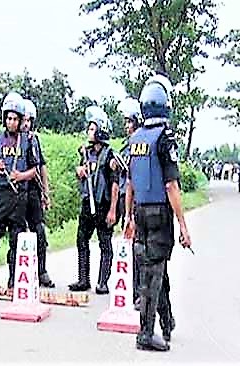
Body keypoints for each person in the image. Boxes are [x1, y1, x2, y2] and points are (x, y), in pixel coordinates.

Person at [124, 74, 192, 351]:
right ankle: (146, 333)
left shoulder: (135, 139)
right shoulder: (165, 138)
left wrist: (128, 216)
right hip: (159, 213)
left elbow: (129, 182)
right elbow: (171, 185)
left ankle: (167, 320)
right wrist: (183, 225)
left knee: (154, 267)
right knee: (152, 274)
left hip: (139, 211)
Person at [0, 92, 39, 288]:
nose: (11, 122)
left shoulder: (28, 140)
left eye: (15, 119)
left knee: (16, 238)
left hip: (19, 195)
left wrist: (20, 176)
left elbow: (34, 169)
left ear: (21, 120)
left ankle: (14, 281)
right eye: (8, 118)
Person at [68, 106, 119, 295]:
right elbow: (82, 171)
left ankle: (103, 282)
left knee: (105, 243)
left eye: (92, 128)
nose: (89, 132)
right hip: (86, 203)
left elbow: (115, 184)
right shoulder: (85, 153)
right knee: (82, 239)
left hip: (103, 204)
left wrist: (113, 210)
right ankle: (83, 279)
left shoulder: (110, 156)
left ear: (100, 131)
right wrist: (79, 171)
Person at [21, 98, 55, 288]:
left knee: (39, 230)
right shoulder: (13, 140)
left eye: (29, 120)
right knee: (17, 233)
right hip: (17, 191)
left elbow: (42, 167)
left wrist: (46, 193)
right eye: (23, 120)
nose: (26, 124)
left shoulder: (34, 140)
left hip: (33, 191)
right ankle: (17, 273)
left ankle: (41, 270)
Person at [113, 97, 142, 308]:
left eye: (129, 122)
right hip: (126, 198)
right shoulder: (127, 146)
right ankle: (131, 288)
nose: (126, 126)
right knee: (129, 244)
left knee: (138, 246)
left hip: (138, 200)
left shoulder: (141, 144)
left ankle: (140, 291)